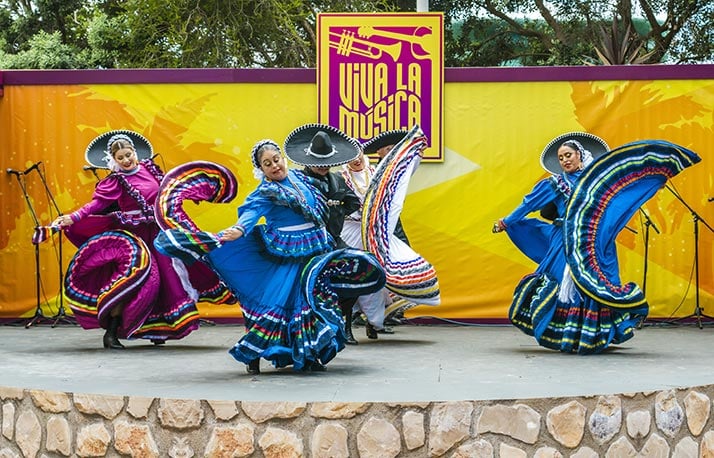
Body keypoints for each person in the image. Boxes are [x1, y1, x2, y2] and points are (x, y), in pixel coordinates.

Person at [156, 136, 384, 374]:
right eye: (267, 164)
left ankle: (308, 354)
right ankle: (253, 355)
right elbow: (250, 213)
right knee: (284, 303)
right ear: (261, 169)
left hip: (315, 249)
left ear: (283, 158)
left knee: (313, 301)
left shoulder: (301, 178)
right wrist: (237, 229)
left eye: (276, 160)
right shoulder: (266, 192)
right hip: (288, 252)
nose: (275, 166)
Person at [54, 130, 232, 350]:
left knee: (168, 281)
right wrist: (73, 217)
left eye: (128, 154)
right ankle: (111, 333)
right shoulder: (115, 181)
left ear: (135, 152)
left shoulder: (150, 169)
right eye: (120, 158)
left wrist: (191, 195)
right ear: (114, 161)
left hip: (158, 232)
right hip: (135, 239)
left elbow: (169, 192)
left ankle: (158, 330)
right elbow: (96, 205)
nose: (126, 160)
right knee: (133, 282)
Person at [492, 132, 641, 354]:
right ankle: (565, 335)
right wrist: (507, 221)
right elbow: (528, 204)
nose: (565, 160)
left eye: (568, 155)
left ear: (580, 155)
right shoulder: (556, 183)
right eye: (561, 158)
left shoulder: (596, 183)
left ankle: (592, 336)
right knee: (565, 284)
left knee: (595, 285)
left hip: (594, 244)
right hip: (566, 242)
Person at [283, 123, 363, 345]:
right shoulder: (297, 180)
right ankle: (300, 332)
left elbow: (353, 201)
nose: (322, 167)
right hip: (306, 244)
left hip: (333, 240)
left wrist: (335, 209)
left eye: (326, 164)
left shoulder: (337, 179)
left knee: (354, 273)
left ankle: (345, 325)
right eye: (318, 164)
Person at [339, 149, 396, 340]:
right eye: (351, 156)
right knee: (351, 277)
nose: (356, 160)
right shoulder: (341, 178)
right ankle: (346, 327)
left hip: (372, 232)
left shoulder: (374, 172)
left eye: (358, 154)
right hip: (350, 231)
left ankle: (374, 322)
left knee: (376, 274)